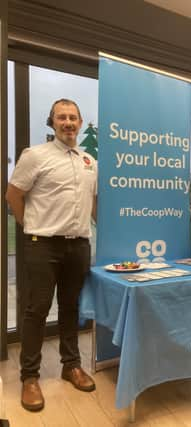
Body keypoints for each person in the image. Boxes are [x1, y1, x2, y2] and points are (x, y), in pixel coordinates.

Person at [6, 99, 98, 411]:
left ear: (80, 121)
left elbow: (93, 202)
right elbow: (13, 194)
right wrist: (29, 225)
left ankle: (70, 365)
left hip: (79, 245)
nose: (68, 122)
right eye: (62, 117)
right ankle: (30, 376)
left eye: (73, 117)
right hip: (42, 245)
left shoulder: (89, 161)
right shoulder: (35, 155)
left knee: (71, 308)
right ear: (53, 122)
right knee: (37, 310)